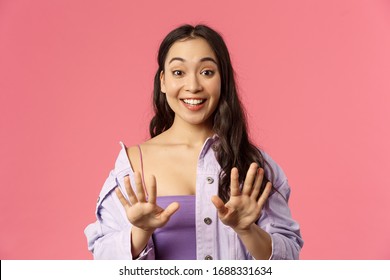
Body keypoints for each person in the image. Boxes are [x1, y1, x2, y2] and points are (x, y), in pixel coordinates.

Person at [84, 24, 303, 260]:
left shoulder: (253, 166)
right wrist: (141, 231)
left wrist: (247, 230)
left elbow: (289, 259)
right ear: (163, 81)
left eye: (207, 72)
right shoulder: (133, 163)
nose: (194, 86)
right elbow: (103, 259)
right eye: (179, 72)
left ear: (223, 80)